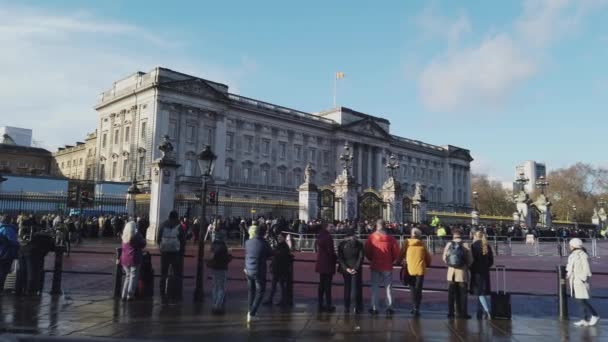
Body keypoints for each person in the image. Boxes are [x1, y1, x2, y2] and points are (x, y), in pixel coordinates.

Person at [364, 219, 400, 315]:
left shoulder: (371, 237)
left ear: (377, 226)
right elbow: (396, 253)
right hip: (387, 265)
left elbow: (367, 251)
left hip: (375, 264)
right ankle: (389, 307)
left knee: (375, 287)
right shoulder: (391, 239)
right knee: (388, 287)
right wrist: (391, 260)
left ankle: (374, 307)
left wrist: (372, 259)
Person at [567, 238, 600, 327]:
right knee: (580, 299)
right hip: (575, 280)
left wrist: (583, 278)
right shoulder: (574, 254)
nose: (569, 246)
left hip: (580, 280)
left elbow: (586, 267)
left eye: (570, 245)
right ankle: (584, 319)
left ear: (574, 246)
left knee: (581, 300)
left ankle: (595, 315)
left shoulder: (582, 255)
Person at [244, 225, 273, 323]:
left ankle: (250, 311)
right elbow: (270, 254)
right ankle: (252, 313)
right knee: (260, 292)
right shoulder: (264, 243)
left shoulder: (247, 242)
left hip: (248, 269)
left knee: (250, 291)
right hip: (259, 270)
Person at [443, 229, 473, 319]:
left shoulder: (449, 244)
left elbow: (444, 258)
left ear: (453, 235)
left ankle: (451, 313)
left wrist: (450, 265)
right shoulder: (465, 245)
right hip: (462, 273)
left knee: (451, 294)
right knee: (463, 295)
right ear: (461, 235)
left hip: (451, 274)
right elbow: (470, 260)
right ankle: (463, 313)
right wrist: (466, 266)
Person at [402, 227, 432, 317]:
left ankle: (413, 306)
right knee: (418, 289)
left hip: (409, 268)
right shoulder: (423, 244)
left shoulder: (406, 243)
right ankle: (417, 307)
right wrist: (428, 264)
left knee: (412, 289)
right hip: (420, 269)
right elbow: (428, 257)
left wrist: (399, 261)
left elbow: (401, 253)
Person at [156, 210, 186, 301]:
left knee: (163, 274)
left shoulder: (162, 225)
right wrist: (181, 251)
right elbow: (183, 241)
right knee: (177, 273)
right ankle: (176, 292)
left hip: (165, 252)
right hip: (176, 253)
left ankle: (162, 292)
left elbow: (158, 239)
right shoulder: (179, 226)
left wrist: (161, 248)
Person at [337, 229, 364, 314]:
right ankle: (357, 306)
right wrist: (355, 268)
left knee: (347, 288)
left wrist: (346, 268)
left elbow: (340, 258)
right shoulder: (359, 244)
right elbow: (361, 257)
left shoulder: (341, 244)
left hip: (346, 268)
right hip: (356, 268)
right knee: (356, 288)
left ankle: (346, 307)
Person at [263, 233, 293, 307]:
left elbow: (278, 255)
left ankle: (279, 300)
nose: (279, 238)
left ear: (284, 238)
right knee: (276, 285)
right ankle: (275, 299)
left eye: (280, 237)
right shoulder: (281, 246)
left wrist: (274, 253)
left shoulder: (283, 246)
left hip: (280, 269)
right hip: (278, 269)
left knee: (280, 285)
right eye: (278, 237)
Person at [119, 221, 146, 301]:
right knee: (133, 277)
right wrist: (140, 235)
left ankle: (123, 294)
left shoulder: (124, 236)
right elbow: (143, 244)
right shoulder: (136, 236)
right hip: (134, 258)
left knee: (127, 276)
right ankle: (130, 295)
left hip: (124, 259)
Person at [470, 231, 494, 320]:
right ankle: (480, 311)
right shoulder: (487, 245)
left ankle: (487, 311)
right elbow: (491, 261)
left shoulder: (473, 246)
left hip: (476, 272)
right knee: (481, 292)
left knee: (480, 293)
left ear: (475, 236)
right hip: (485, 271)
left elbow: (471, 260)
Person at [207, 230, 232, 314]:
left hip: (214, 267)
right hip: (222, 267)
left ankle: (214, 303)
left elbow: (211, 256)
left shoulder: (213, 245)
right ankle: (218, 305)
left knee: (215, 286)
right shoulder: (223, 246)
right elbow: (225, 258)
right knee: (221, 287)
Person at [315, 224, 337, 313]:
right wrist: (336, 258)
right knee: (327, 286)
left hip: (321, 263)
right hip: (328, 263)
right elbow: (330, 252)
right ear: (327, 227)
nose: (333, 228)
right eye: (331, 227)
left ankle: (320, 304)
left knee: (321, 285)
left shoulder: (320, 236)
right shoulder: (328, 237)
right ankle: (328, 305)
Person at [0, 216, 20, 291]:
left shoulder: (1, 228)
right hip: (6, 253)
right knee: (3, 271)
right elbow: (13, 242)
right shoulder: (9, 229)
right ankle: (1, 287)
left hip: (2, 252)